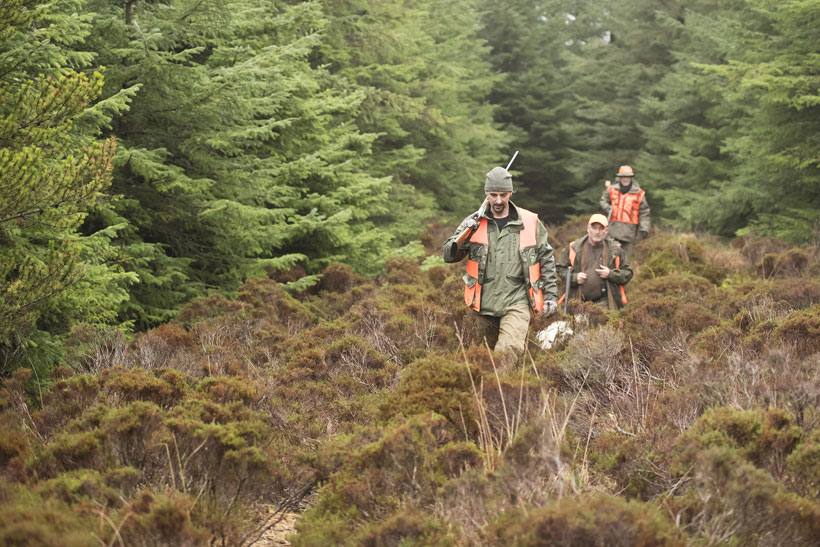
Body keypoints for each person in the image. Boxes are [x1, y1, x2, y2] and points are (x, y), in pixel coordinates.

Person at [443, 166, 558, 360]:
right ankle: (489, 390)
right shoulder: (473, 221)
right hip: (482, 303)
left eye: (503, 195)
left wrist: (551, 296)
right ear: (486, 193)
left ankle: (499, 387)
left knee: (507, 351)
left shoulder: (530, 222)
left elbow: (546, 258)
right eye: (493, 195)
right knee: (481, 358)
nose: (498, 200)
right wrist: (465, 236)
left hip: (517, 300)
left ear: (511, 193)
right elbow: (449, 255)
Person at [556, 214, 632, 310]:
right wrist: (574, 277)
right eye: (594, 228)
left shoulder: (616, 250)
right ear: (588, 228)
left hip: (606, 303)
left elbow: (628, 273)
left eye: (601, 228)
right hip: (578, 301)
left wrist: (610, 274)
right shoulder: (573, 248)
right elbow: (560, 269)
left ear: (606, 231)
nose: (597, 232)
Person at [599, 164, 650, 258]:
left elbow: (644, 212)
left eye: (627, 177)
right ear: (619, 178)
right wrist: (609, 208)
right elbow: (603, 200)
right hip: (612, 230)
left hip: (629, 233)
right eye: (623, 177)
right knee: (609, 258)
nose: (625, 179)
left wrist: (644, 227)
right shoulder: (611, 189)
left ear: (631, 178)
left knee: (625, 261)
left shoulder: (639, 193)